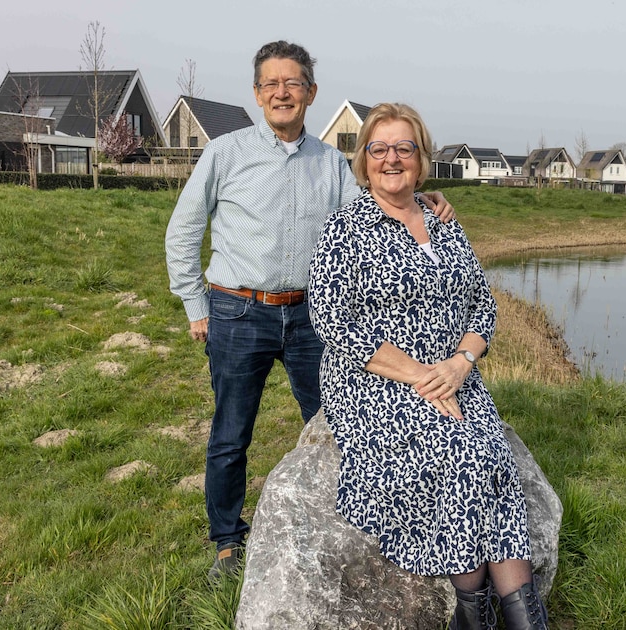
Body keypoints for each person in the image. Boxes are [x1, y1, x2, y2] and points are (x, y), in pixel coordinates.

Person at [165, 42, 454, 582]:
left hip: (310, 318)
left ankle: (341, 519)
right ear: (256, 93)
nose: (282, 92)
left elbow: (376, 207)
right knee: (231, 433)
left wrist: (426, 198)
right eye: (271, 84)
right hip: (237, 312)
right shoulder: (225, 152)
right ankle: (228, 542)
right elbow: (183, 231)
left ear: (310, 94)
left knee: (334, 422)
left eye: (293, 83)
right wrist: (194, 302)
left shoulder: (331, 163)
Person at [309, 103, 548, 629]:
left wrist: (460, 364)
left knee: (492, 457)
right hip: (376, 380)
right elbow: (331, 318)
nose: (391, 158)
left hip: (452, 374)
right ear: (364, 159)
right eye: (379, 148)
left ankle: (512, 618)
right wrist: (422, 376)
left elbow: (482, 306)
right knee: (457, 452)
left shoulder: (443, 223)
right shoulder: (346, 229)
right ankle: (475, 606)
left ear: (421, 158)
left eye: (404, 148)